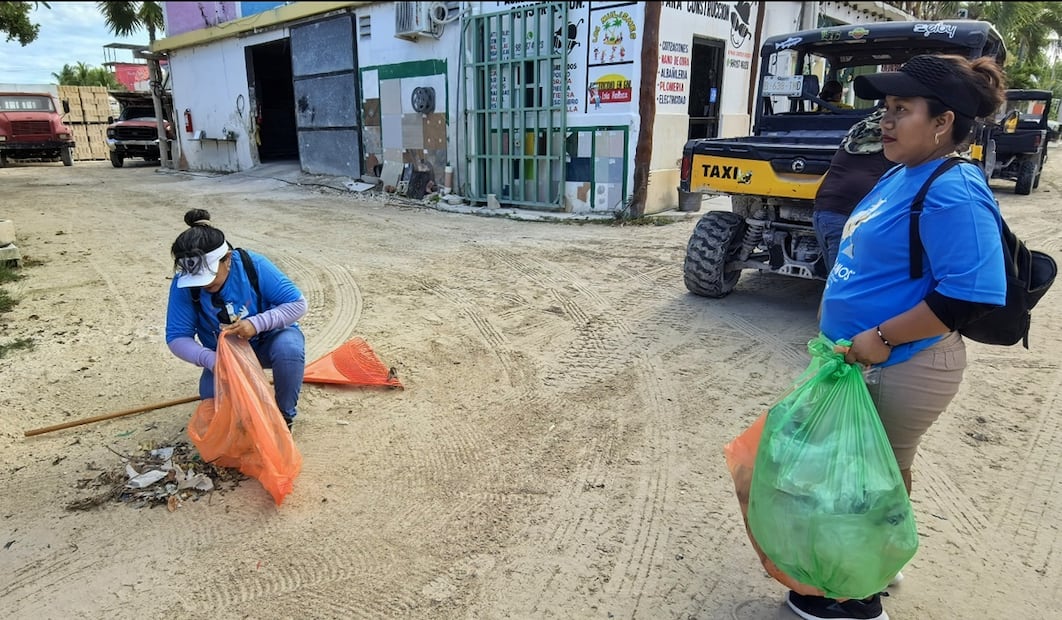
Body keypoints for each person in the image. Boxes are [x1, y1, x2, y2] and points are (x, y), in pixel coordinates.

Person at [792, 54, 1007, 620]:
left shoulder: (953, 188)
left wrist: (881, 337)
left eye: (901, 109)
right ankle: (876, 563)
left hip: (902, 362)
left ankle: (855, 599)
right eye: (885, 108)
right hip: (866, 360)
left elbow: (970, 292)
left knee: (861, 477)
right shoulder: (901, 172)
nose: (885, 121)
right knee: (871, 470)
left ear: (942, 123)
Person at [165, 209, 308, 431]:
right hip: (224, 356)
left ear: (228, 260)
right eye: (197, 279)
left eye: (209, 277)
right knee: (215, 411)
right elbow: (176, 337)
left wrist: (256, 324)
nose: (203, 285)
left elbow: (298, 304)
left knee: (289, 349)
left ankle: (284, 417)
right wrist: (212, 361)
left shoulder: (254, 265)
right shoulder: (184, 284)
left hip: (267, 342)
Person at [813, 107, 895, 273]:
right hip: (847, 217)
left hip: (823, 210)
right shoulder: (892, 147)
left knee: (837, 280)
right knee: (844, 284)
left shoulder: (855, 136)